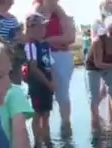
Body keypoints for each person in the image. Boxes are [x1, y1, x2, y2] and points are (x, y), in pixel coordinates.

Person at [32, 0, 75, 130]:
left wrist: (48, 40)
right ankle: (44, 134)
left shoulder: (60, 12)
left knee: (63, 96)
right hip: (42, 57)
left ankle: (66, 128)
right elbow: (34, 33)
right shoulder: (36, 7)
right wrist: (53, 41)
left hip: (61, 57)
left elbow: (70, 37)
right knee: (42, 98)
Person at [85, 14, 112, 125]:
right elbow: (98, 64)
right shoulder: (98, 41)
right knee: (94, 95)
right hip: (93, 67)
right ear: (106, 30)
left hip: (109, 65)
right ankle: (95, 120)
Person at [23, 12, 54, 148]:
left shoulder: (45, 45)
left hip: (47, 84)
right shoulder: (30, 45)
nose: (44, 30)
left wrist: (52, 81)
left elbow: (50, 65)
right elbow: (33, 68)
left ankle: (47, 141)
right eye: (41, 27)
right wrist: (48, 83)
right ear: (31, 28)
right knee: (38, 113)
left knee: (46, 114)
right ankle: (37, 143)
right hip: (37, 85)